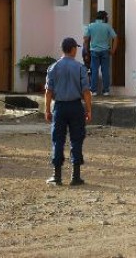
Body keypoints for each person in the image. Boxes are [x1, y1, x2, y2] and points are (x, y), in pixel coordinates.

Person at [44, 37, 92, 186]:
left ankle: (56, 175)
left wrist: (46, 110)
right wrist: (89, 110)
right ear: (72, 49)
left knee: (58, 140)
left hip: (59, 107)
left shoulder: (53, 68)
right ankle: (75, 176)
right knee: (76, 140)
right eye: (76, 48)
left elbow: (48, 92)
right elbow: (86, 92)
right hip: (76, 107)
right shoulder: (80, 68)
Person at [83, 10, 118, 96]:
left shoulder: (91, 26)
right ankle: (106, 91)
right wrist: (113, 50)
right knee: (105, 71)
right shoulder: (107, 26)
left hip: (94, 51)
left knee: (94, 70)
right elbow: (115, 37)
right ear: (104, 17)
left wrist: (86, 51)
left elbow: (85, 39)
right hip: (105, 51)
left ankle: (93, 91)